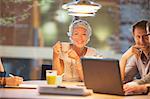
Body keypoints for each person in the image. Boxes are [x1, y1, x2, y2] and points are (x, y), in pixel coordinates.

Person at [120, 20, 150, 94]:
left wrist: (135, 84)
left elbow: (147, 79)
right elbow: (122, 79)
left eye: (145, 36)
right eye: (138, 37)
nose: (141, 41)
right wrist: (124, 58)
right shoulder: (137, 55)